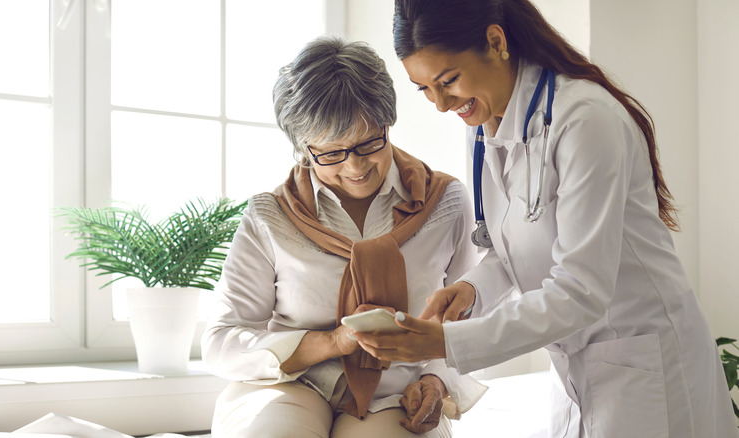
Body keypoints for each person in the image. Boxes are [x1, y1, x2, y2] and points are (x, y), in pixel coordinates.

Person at [353, 1, 739, 437]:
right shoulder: (482, 127)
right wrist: (470, 290)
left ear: (496, 41)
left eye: (449, 81)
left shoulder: (584, 119)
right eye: (424, 89)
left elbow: (580, 291)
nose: (441, 105)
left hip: (645, 359)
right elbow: (510, 249)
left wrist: (445, 343)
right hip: (575, 365)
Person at [201, 36, 486, 438]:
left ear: (388, 123)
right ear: (302, 148)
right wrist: (332, 343)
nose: (355, 167)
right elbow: (221, 340)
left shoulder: (447, 202)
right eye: (332, 153)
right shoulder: (270, 215)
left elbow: (470, 321)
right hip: (289, 383)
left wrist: (436, 381)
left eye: (369, 142)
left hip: (396, 393)